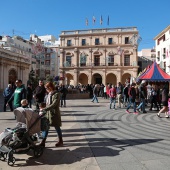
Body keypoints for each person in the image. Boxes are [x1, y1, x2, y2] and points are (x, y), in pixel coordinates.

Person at [39, 81, 63, 147]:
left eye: (47, 88)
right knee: (45, 127)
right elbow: (46, 103)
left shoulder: (56, 94)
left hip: (54, 113)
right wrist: (41, 106)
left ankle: (60, 141)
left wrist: (45, 109)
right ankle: (43, 141)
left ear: (50, 87)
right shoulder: (48, 94)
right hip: (47, 113)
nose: (46, 90)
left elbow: (54, 104)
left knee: (57, 127)